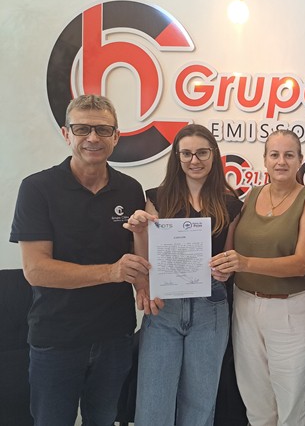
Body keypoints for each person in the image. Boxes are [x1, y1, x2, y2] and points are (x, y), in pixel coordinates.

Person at [9, 94, 149, 426]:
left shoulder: (130, 189)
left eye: (103, 130)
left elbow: (137, 256)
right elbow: (36, 270)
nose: (93, 138)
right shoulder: (37, 188)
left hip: (114, 337)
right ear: (66, 134)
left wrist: (146, 284)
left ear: (116, 136)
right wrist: (112, 272)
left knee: (104, 420)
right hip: (57, 339)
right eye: (82, 128)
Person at [124, 124, 242, 426]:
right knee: (154, 400)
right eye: (186, 153)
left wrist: (225, 269)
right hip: (165, 307)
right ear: (177, 157)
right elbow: (145, 259)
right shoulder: (157, 199)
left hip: (210, 308)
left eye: (202, 153)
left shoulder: (230, 203)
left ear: (214, 155)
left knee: (200, 402)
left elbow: (228, 258)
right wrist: (139, 231)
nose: (194, 160)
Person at [211, 129, 305, 426]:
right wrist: (223, 265)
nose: (281, 161)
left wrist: (244, 263)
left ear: (300, 160)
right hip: (246, 306)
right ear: (264, 160)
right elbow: (232, 247)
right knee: (256, 401)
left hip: (294, 309)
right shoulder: (251, 196)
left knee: (291, 401)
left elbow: (301, 263)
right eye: (274, 155)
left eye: (289, 155)